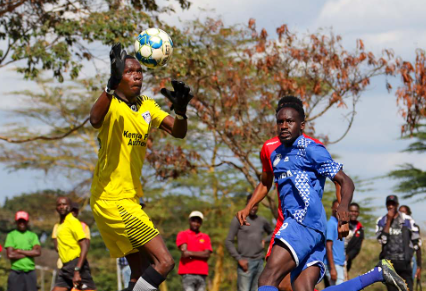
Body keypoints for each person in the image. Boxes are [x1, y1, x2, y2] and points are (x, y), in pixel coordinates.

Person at [236, 95, 409, 291]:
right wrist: (248, 206)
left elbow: (344, 181)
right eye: (280, 121)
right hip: (313, 229)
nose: (284, 125)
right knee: (303, 289)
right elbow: (265, 182)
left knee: (267, 280)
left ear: (302, 124)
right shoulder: (273, 152)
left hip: (301, 223)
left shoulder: (311, 149)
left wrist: (343, 212)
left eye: (289, 121)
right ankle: (377, 274)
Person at [89, 43, 192, 291]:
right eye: (129, 72)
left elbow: (178, 132)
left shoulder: (146, 104)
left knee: (139, 271)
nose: (137, 75)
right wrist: (110, 85)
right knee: (164, 262)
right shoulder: (110, 103)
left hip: (128, 199)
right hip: (113, 200)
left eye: (140, 71)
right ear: (117, 77)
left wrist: (180, 112)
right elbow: (94, 119)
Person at [225, 194, 273, 291]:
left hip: (259, 262)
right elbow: (229, 241)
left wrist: (265, 240)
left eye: (256, 205)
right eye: (252, 205)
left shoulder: (262, 220)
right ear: (247, 204)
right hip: (245, 263)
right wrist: (239, 259)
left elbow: (273, 232)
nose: (254, 208)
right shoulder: (239, 219)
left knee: (257, 289)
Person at [376, 195, 422, 291]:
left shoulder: (407, 220)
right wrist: (388, 221)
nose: (391, 206)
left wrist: (413, 259)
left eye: (393, 204)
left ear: (397, 205)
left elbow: (417, 241)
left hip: (404, 264)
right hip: (389, 265)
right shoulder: (381, 221)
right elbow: (382, 240)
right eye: (389, 204)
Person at [52, 197, 96, 291]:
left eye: (64, 204)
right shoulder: (60, 224)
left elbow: (84, 246)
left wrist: (77, 270)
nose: (61, 207)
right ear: (56, 208)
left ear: (70, 207)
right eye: (59, 205)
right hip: (65, 266)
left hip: (76, 264)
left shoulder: (73, 221)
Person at [4, 211, 41, 291]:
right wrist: (29, 253)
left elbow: (37, 252)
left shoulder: (33, 235)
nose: (22, 223)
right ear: (16, 222)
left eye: (23, 221)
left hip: (30, 273)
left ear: (27, 222)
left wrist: (20, 251)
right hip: (16, 272)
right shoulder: (11, 235)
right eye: (20, 221)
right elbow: (10, 255)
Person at [176, 211, 212, 291]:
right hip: (187, 273)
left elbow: (207, 255)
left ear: (201, 223)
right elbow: (185, 253)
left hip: (202, 273)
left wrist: (190, 253)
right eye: (193, 221)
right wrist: (201, 253)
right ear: (189, 221)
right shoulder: (182, 234)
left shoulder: (205, 237)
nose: (196, 223)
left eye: (198, 221)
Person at [325, 200, 346, 285]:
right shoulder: (331, 224)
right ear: (332, 208)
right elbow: (328, 246)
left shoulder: (338, 224)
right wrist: (332, 268)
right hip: (334, 264)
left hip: (339, 264)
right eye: (336, 208)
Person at [399, 205, 422, 281]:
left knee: (408, 284)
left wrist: (419, 266)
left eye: (403, 211)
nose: (401, 213)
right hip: (396, 259)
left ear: (408, 213)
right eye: (400, 211)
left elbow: (418, 247)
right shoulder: (394, 226)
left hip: (410, 259)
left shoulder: (413, 227)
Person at [346, 202, 364, 272]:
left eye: (356, 212)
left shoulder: (360, 229)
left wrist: (349, 256)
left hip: (347, 261)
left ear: (358, 213)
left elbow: (357, 248)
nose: (353, 213)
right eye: (351, 211)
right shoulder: (340, 224)